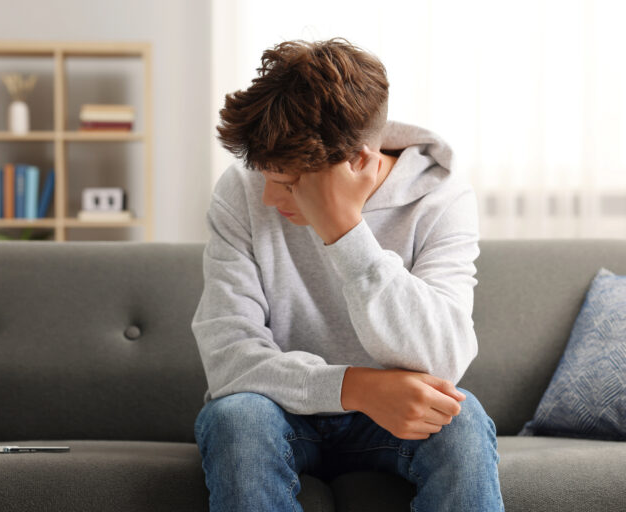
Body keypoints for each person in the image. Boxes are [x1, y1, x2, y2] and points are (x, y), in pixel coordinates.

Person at [192, 38, 504, 511]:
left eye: (289, 184)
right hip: (277, 407)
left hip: (392, 420)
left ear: (359, 162)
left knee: (460, 420)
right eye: (267, 177)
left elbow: (443, 360)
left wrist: (344, 230)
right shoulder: (241, 189)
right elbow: (228, 359)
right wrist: (355, 387)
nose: (269, 199)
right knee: (239, 417)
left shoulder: (442, 198)